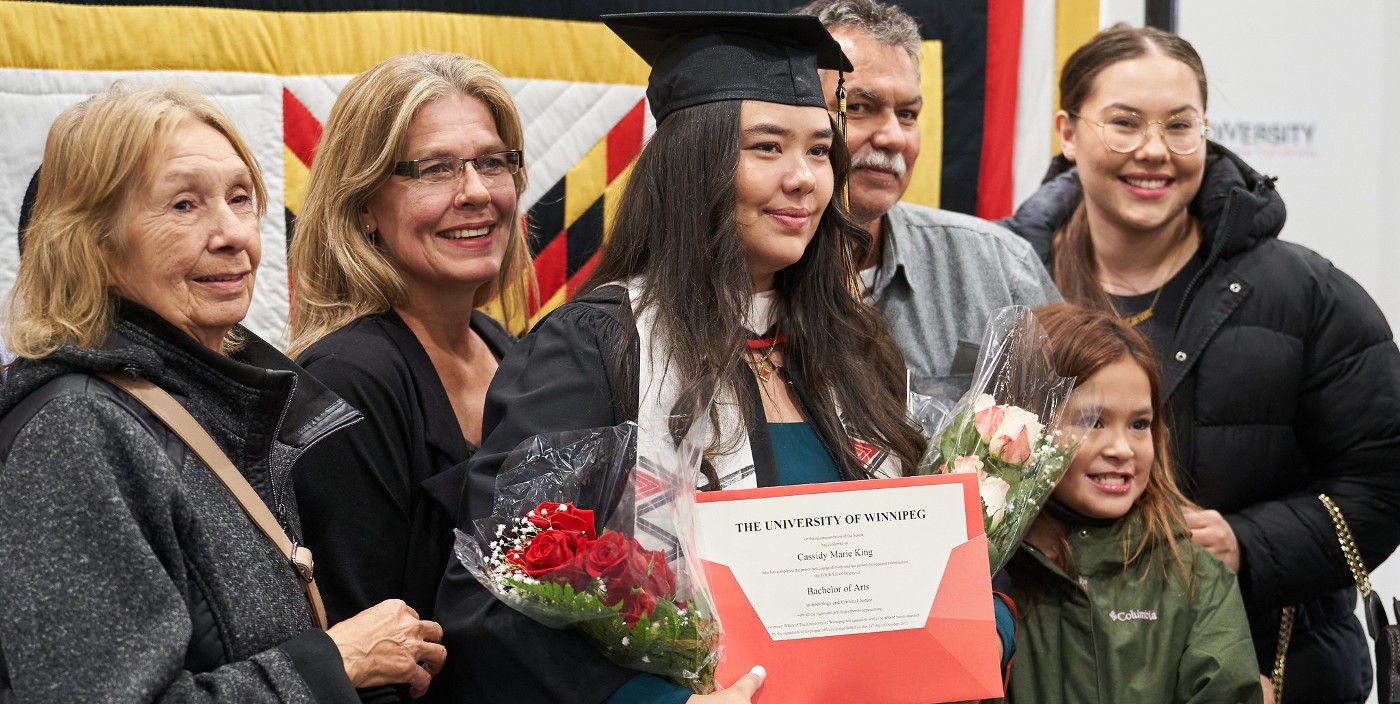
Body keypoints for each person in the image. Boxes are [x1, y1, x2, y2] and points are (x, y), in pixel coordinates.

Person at [432, 12, 1012, 704]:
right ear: (693, 165)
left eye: (821, 151)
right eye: (767, 147)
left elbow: (941, 546)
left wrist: (983, 618)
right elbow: (493, 602)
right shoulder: (595, 350)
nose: (804, 180)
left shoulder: (858, 351)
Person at [0, 83, 446, 701]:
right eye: (184, 205)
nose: (233, 233)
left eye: (240, 198)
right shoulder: (77, 428)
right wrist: (332, 665)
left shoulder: (203, 399)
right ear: (91, 242)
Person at [1000, 24, 1400, 703]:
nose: (1154, 151)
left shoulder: (1305, 294)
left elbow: (1385, 480)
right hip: (1043, 672)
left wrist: (1250, 544)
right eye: (1123, 123)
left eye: (1180, 126)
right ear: (1067, 131)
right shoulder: (1000, 279)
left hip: (1277, 670)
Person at [287, 52, 532, 645]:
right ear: (365, 205)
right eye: (436, 169)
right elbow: (367, 649)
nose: (475, 192)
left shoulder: (507, 350)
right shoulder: (345, 382)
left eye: (491, 162)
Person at [792, 0, 1059, 392]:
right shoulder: (740, 272)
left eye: (908, 114)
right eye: (861, 107)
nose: (894, 137)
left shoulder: (1001, 267)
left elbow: (1071, 426)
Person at [1003, 303, 1262, 703]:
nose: (1122, 449)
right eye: (1091, 422)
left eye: (1140, 424)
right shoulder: (982, 572)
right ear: (1025, 421)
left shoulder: (1194, 574)